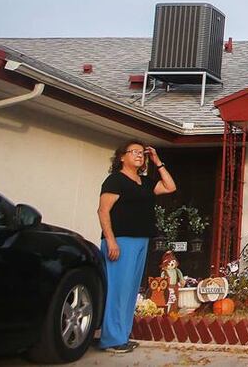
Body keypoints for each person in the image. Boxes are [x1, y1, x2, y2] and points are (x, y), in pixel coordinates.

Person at [96, 142, 176, 353]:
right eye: (135, 152)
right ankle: (111, 339)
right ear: (122, 157)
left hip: (141, 240)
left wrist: (158, 162)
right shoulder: (115, 180)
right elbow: (103, 211)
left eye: (142, 153)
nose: (140, 156)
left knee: (131, 290)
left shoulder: (145, 182)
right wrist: (111, 240)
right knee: (118, 290)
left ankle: (122, 336)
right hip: (121, 240)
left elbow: (170, 186)